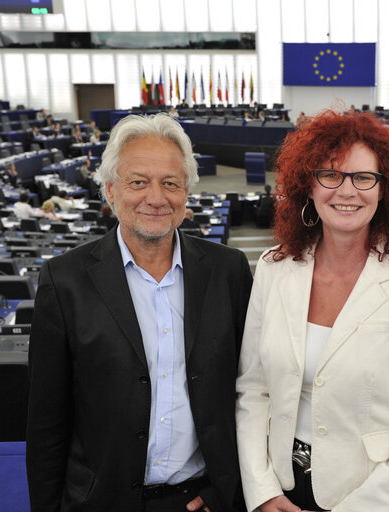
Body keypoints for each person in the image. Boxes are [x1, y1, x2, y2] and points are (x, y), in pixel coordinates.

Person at [26, 113, 253, 512]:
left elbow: (250, 391)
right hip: (103, 502)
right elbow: (47, 422)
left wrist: (227, 490)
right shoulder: (64, 281)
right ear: (110, 191)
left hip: (204, 501)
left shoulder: (228, 271)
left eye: (170, 183)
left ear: (186, 193)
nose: (156, 197)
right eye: (138, 182)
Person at [236, 110, 389, 512]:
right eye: (330, 175)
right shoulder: (273, 268)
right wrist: (262, 491)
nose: (346, 191)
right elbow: (254, 390)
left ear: (384, 189)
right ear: (309, 184)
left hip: (378, 495)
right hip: (282, 487)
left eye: (363, 177)